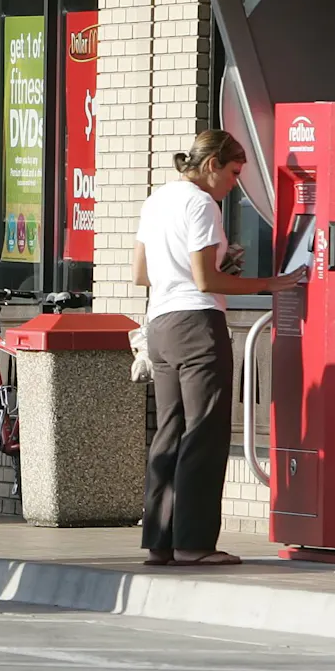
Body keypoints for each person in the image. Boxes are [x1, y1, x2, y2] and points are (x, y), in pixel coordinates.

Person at [133, 130, 305, 567]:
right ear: (212, 165)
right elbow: (206, 281)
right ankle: (194, 544)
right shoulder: (201, 204)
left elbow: (141, 273)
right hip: (196, 324)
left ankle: (160, 543)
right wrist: (270, 283)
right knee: (204, 434)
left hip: (160, 325)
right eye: (233, 172)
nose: (234, 184)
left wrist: (209, 267)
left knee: (170, 432)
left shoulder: (157, 200)